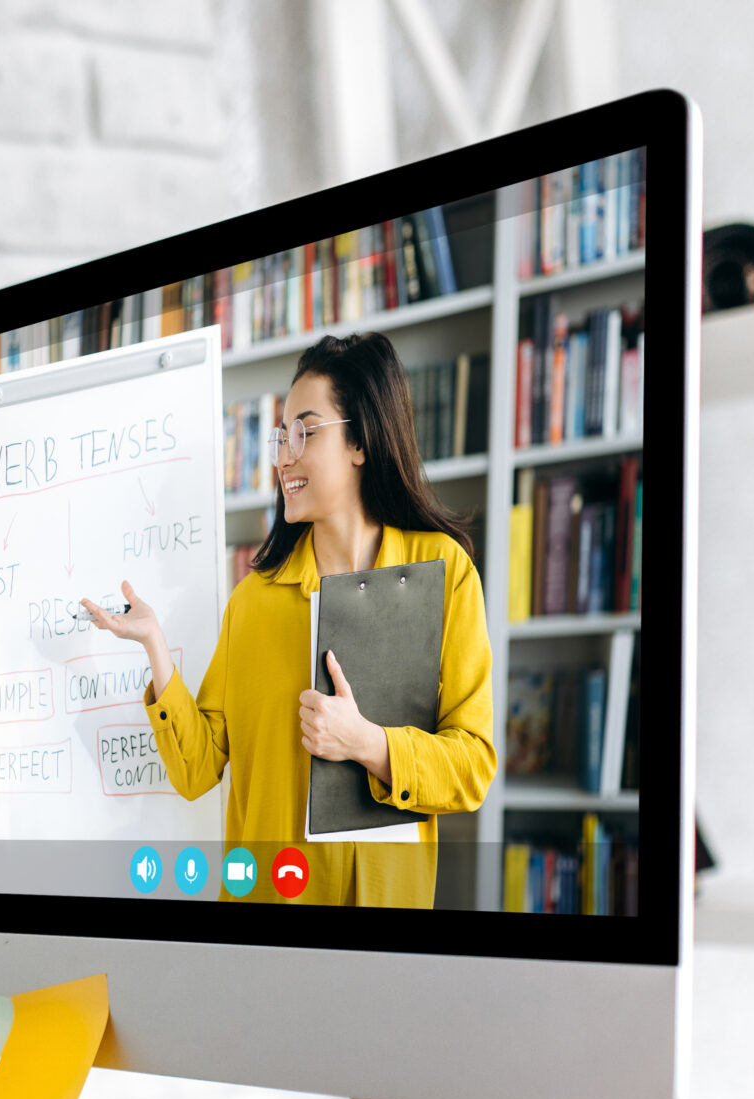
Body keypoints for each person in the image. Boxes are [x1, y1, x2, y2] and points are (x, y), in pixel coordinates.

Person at [83, 333, 496, 908]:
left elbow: (472, 765)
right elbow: (197, 769)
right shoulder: (255, 601)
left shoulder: (444, 574)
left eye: (304, 431)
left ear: (360, 441)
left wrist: (368, 744)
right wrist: (154, 643)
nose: (282, 456)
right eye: (281, 436)